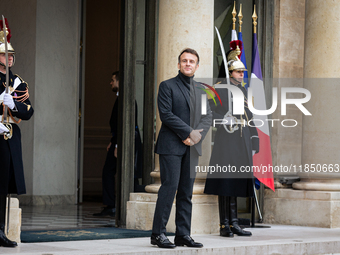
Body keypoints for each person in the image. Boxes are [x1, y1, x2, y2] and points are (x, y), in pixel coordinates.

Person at [151, 48, 212, 248]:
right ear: (178, 64)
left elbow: (208, 117)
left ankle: (183, 235)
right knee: (169, 189)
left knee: (186, 192)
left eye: (191, 61)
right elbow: (166, 115)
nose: (187, 64)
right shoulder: (167, 86)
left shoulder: (202, 89)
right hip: (171, 146)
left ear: (196, 65)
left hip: (192, 148)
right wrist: (189, 133)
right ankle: (158, 234)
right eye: (184, 61)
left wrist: (195, 137)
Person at [204, 45, 259, 237]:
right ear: (229, 72)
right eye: (238, 71)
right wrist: (222, 117)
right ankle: (224, 224)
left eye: (243, 71)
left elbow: (250, 116)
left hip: (241, 140)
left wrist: (254, 141)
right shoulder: (219, 89)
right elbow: (208, 111)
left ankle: (235, 222)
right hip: (226, 140)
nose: (242, 74)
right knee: (225, 181)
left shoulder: (243, 91)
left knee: (235, 181)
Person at [0, 19, 34, 247]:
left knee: (4, 186)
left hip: (10, 139)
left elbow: (29, 110)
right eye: (5, 55)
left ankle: (0, 230)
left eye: (11, 55)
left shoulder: (18, 82)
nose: (10, 58)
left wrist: (13, 105)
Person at [93, 71, 143, 217]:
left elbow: (125, 124)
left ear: (119, 82)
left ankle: (115, 205)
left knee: (113, 171)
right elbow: (117, 124)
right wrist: (113, 141)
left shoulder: (126, 98)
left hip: (124, 142)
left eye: (112, 80)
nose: (111, 83)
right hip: (119, 140)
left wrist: (117, 145)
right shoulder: (122, 97)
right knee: (119, 171)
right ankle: (120, 204)